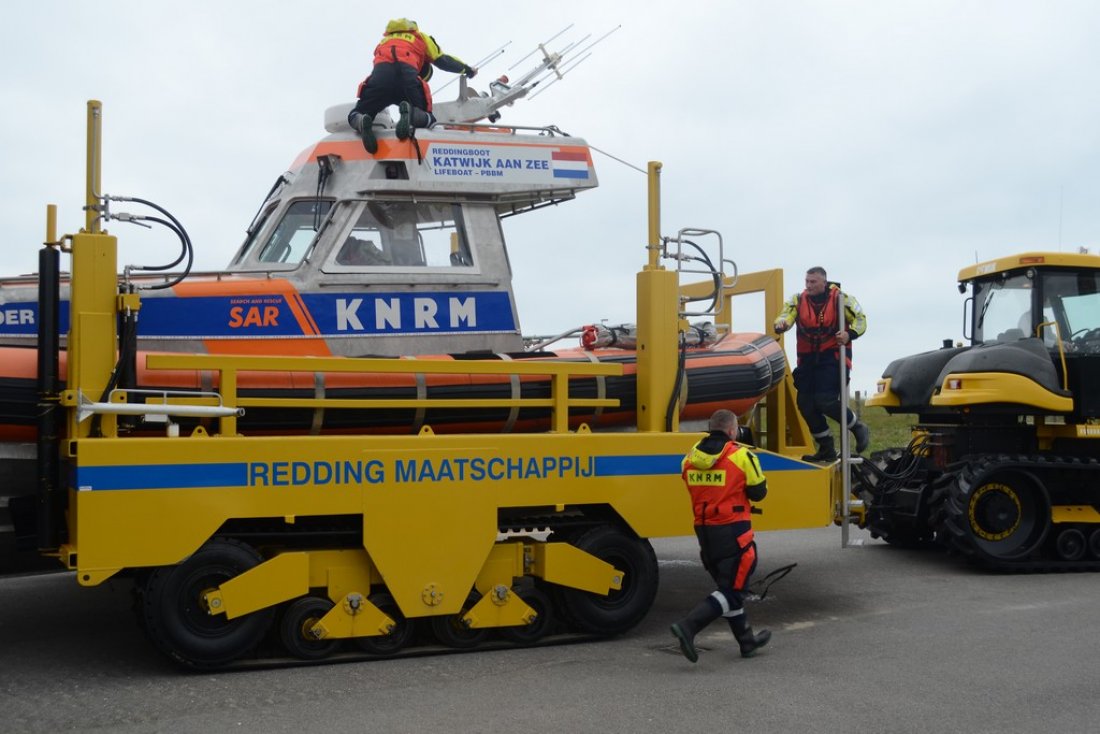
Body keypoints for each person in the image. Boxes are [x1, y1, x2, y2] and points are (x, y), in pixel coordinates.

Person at [670, 409, 771, 663]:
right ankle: (688, 627)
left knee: (728, 587)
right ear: (732, 431)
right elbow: (759, 493)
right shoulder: (741, 455)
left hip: (704, 531)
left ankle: (747, 642)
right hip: (733, 530)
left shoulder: (690, 457)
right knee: (734, 591)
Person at [773, 266, 871, 462]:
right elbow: (786, 315)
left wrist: (848, 334)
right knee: (805, 404)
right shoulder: (797, 300)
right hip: (808, 360)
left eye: (813, 282)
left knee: (824, 400)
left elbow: (861, 319)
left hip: (832, 357)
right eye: (806, 281)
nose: (808, 285)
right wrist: (781, 324)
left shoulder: (841, 298)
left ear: (824, 283)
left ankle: (857, 426)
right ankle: (826, 448)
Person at [348, 18, 477, 154]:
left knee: (357, 113)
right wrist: (467, 69)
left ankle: (362, 121)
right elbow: (442, 60)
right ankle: (413, 115)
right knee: (429, 118)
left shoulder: (383, 42)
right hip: (408, 78)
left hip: (381, 79)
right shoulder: (420, 37)